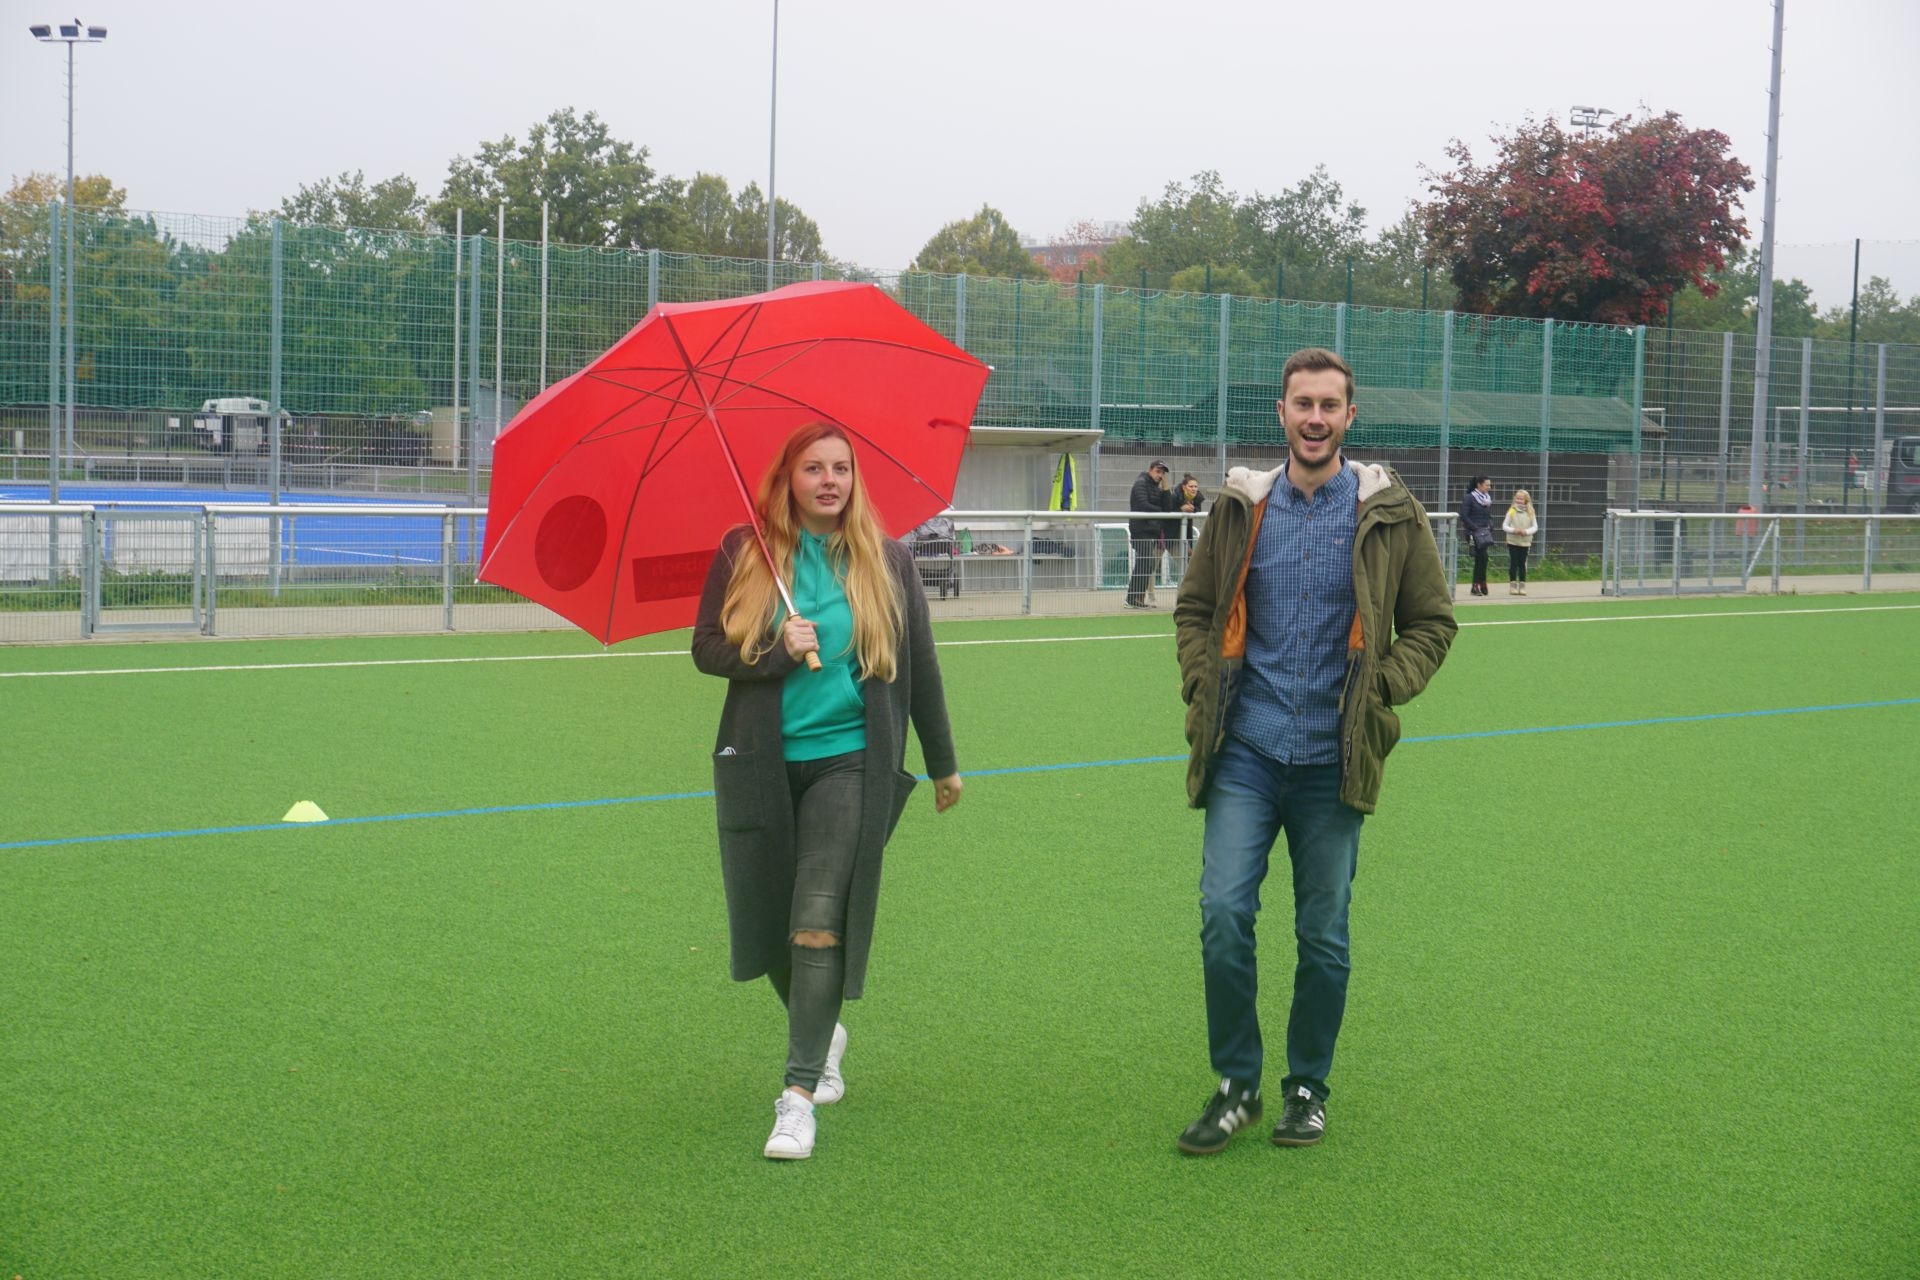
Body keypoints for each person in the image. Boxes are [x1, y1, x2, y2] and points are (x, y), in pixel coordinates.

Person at [1172, 347, 1456, 1154]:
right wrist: (1202, 685)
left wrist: (1383, 688)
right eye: (1304, 404)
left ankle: (1307, 1086)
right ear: (1282, 413)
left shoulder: (1388, 513)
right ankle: (1237, 1084)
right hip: (1247, 751)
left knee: (1323, 934)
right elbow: (1195, 609)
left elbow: (1433, 623)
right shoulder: (1242, 507)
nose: (1316, 419)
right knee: (1224, 912)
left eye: (1330, 405)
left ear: (1350, 417)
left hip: (1335, 759)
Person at [691, 421, 963, 1162]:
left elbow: (921, 664)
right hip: (759, 765)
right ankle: (823, 1032)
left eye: (841, 468)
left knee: (817, 922)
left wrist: (943, 761)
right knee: (773, 926)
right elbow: (705, 650)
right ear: (788, 478)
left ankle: (797, 1097)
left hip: (851, 763)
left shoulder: (888, 560)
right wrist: (774, 652)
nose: (829, 481)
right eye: (814, 468)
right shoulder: (743, 552)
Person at [1127, 459, 1175, 608]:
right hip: (1141, 530)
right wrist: (1161, 512)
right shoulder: (1141, 483)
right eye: (1158, 471)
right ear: (1150, 469)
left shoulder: (1156, 487)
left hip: (1151, 530)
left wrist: (1166, 488)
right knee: (1145, 562)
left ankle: (1135, 598)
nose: (1160, 475)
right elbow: (1143, 505)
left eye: (1162, 473)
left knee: (1146, 564)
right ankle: (1132, 599)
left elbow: (1168, 508)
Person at [1457, 476, 1494, 596]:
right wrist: (1474, 527)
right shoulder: (1469, 498)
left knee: (1483, 558)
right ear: (1479, 485)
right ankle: (1477, 585)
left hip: (1484, 533)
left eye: (1489, 485)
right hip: (1473, 533)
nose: (1489, 487)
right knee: (1481, 557)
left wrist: (1490, 525)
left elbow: (1488, 516)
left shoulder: (1486, 499)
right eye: (1487, 485)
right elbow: (1464, 515)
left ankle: (1480, 583)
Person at [1502, 489, 1538, 595]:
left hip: (1525, 542)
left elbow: (1535, 527)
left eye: (1521, 499)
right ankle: (1512, 586)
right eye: (1517, 498)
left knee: (1522, 563)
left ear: (1526, 500)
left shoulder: (1530, 512)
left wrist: (1526, 532)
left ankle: (1522, 586)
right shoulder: (1511, 511)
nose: (1518, 500)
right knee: (1514, 562)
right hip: (1513, 541)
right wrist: (1514, 530)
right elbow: (1504, 526)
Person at [1173, 474, 1206, 581]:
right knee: (1151, 564)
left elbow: (1198, 510)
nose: (1194, 489)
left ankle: (1187, 588)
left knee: (1187, 562)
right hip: (1168, 534)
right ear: (1184, 487)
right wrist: (1181, 510)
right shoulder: (1175, 496)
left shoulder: (1197, 498)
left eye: (1195, 486)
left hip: (1185, 534)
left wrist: (1192, 509)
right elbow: (1168, 510)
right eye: (1191, 486)